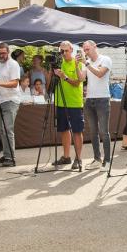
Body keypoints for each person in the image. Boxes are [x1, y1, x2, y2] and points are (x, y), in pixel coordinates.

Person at [52, 41, 86, 170]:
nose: (64, 53)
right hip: (61, 102)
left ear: (71, 50)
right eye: (62, 51)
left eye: (66, 50)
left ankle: (78, 158)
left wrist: (64, 77)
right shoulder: (58, 63)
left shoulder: (79, 63)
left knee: (77, 131)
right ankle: (66, 157)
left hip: (75, 103)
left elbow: (78, 82)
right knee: (64, 130)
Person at [80, 40, 113, 168]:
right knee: (93, 132)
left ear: (95, 47)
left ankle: (108, 161)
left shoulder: (105, 59)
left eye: (87, 49)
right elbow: (82, 78)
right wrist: (78, 65)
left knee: (104, 131)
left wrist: (86, 63)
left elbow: (100, 74)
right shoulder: (86, 62)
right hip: (89, 99)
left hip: (103, 99)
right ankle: (97, 159)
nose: (86, 52)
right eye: (84, 50)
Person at [0, 43, 21, 166]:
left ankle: (10, 158)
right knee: (1, 129)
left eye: (3, 53)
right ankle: (6, 154)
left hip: (10, 100)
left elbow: (14, 83)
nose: (1, 55)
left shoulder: (13, 64)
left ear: (8, 52)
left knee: (8, 128)